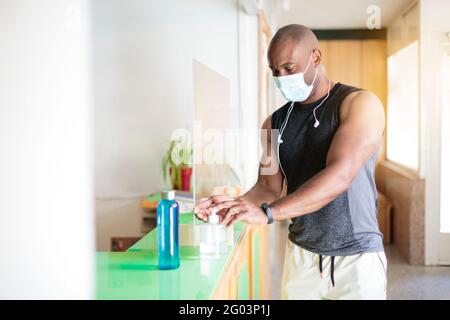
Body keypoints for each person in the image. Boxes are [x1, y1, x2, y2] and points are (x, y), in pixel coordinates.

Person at [194, 24, 387, 300]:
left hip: (356, 259)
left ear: (315, 58)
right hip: (302, 258)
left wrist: (270, 213)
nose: (281, 77)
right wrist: (233, 206)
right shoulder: (274, 123)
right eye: (275, 71)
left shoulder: (360, 104)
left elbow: (340, 176)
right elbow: (267, 186)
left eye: (289, 67)